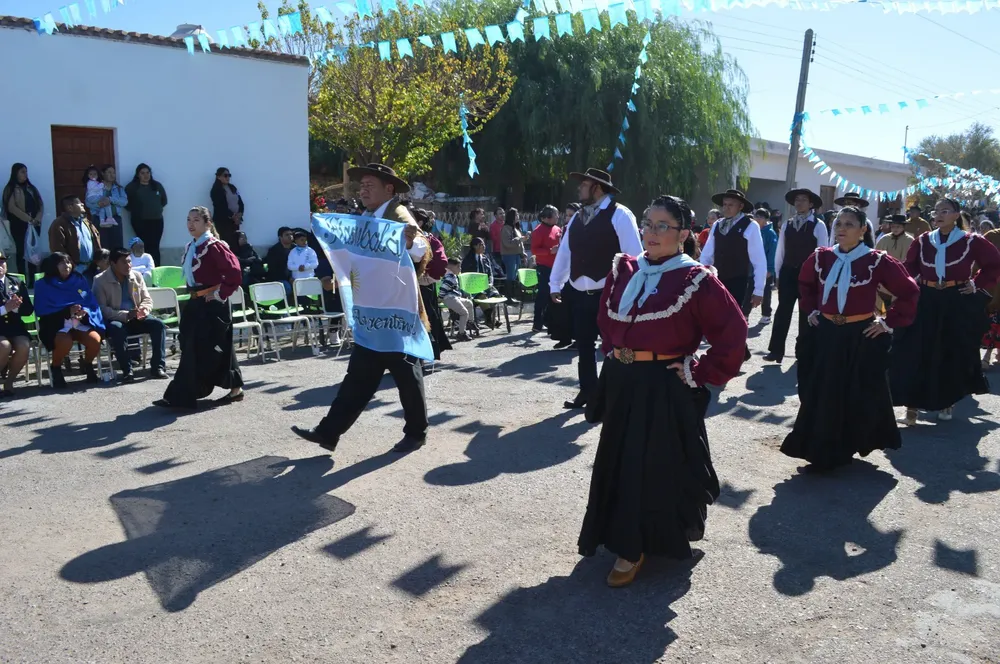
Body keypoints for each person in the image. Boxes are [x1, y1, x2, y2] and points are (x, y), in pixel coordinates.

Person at [577, 195, 747, 587]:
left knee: (648, 463)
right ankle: (617, 531)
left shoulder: (696, 279)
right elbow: (606, 316)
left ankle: (634, 545)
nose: (651, 233)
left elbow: (733, 335)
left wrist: (697, 369)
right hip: (623, 379)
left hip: (662, 385)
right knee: (619, 459)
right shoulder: (626, 268)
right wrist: (616, 348)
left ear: (684, 233)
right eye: (647, 224)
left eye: (662, 226)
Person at [292, 163, 431, 454]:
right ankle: (329, 432)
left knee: (407, 375)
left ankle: (416, 433)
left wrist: (409, 242)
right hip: (371, 311)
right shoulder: (365, 218)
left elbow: (420, 248)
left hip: (396, 311)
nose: (362, 190)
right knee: (358, 376)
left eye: (370, 185)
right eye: (362, 186)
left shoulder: (398, 214)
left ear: (388, 189)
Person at [781, 206, 919, 472]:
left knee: (856, 392)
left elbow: (909, 291)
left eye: (849, 224)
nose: (841, 229)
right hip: (827, 334)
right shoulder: (821, 257)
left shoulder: (877, 260)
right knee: (824, 391)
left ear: (863, 230)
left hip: (860, 335)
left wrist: (887, 322)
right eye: (838, 224)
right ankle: (821, 447)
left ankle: (847, 443)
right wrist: (811, 310)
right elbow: (806, 285)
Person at [891, 197, 1000, 424]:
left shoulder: (971, 241)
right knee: (915, 349)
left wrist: (976, 283)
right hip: (926, 298)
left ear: (956, 214)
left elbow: (993, 264)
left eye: (946, 210)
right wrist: (910, 284)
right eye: (937, 211)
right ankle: (911, 409)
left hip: (955, 299)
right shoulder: (923, 241)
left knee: (949, 350)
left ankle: (946, 402)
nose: (939, 214)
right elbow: (909, 267)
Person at [550, 168, 642, 410]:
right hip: (579, 292)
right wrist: (555, 282)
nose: (579, 188)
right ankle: (588, 392)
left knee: (616, 348)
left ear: (598, 188)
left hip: (609, 294)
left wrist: (631, 293)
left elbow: (634, 258)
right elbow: (565, 252)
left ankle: (616, 396)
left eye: (584, 184)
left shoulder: (620, 214)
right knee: (584, 346)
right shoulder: (578, 217)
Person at [156, 207, 244, 409]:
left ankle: (181, 395)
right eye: (188, 220)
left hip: (212, 304)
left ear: (208, 223)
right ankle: (232, 388)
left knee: (207, 346)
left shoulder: (214, 246)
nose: (190, 224)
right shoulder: (192, 246)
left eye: (196, 220)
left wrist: (220, 294)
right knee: (195, 345)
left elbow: (234, 274)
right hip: (196, 302)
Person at [700, 189, 766, 361]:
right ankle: (735, 353)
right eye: (725, 205)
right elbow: (707, 254)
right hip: (719, 279)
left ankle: (734, 357)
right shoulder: (717, 225)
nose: (727, 208)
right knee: (718, 319)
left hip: (740, 279)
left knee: (734, 321)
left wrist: (759, 290)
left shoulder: (750, 226)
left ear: (740, 206)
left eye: (731, 205)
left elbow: (759, 260)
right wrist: (700, 274)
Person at [765, 188, 828, 363]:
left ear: (811, 204)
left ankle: (804, 351)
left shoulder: (818, 225)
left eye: (803, 200)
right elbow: (781, 250)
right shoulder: (787, 224)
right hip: (788, 273)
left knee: (806, 312)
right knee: (782, 311)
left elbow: (823, 252)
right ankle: (776, 351)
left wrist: (821, 277)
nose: (799, 203)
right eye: (797, 200)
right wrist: (778, 273)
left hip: (810, 276)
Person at [94, 247, 168, 382]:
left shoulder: (136, 276)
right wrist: (126, 315)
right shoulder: (100, 280)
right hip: (116, 319)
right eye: (124, 262)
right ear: (113, 263)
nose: (128, 265)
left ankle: (158, 367)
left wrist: (144, 310)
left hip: (137, 317)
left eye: (129, 261)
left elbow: (147, 299)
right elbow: (101, 308)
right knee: (117, 329)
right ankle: (127, 370)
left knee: (158, 325)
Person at [33, 252, 105, 388]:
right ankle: (56, 368)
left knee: (95, 340)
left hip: (80, 322)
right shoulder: (42, 284)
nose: (66, 265)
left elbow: (90, 301)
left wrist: (84, 311)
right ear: (53, 266)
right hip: (56, 325)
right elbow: (41, 309)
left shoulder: (79, 280)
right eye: (61, 262)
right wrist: (67, 312)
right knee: (65, 342)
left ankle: (87, 363)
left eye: (68, 262)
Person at [413, 208, 451, 367]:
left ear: (419, 222)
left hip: (422, 287)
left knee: (424, 320)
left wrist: (427, 275)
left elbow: (441, 262)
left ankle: (423, 356)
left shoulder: (429, 239)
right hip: (406, 287)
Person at [2, 163, 44, 286]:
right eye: (22, 172)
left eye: (26, 172)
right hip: (19, 224)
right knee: (21, 252)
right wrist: (28, 219)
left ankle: (33, 279)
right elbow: (11, 207)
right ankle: (22, 280)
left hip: (34, 224)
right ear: (15, 173)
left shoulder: (31, 188)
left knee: (33, 252)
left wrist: (36, 219)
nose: (25, 174)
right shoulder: (11, 188)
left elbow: (40, 204)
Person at [0, 251, 33, 396]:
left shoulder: (16, 282)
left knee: (24, 345)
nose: (0, 265)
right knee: (4, 346)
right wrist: (4, 309)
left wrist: (17, 308)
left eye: (2, 262)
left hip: (14, 327)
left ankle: (9, 382)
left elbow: (28, 310)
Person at [124, 163, 168, 265]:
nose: (146, 175)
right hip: (140, 221)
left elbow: (164, 201)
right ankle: (146, 269)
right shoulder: (132, 187)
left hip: (157, 221)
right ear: (138, 174)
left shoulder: (157, 186)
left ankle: (157, 269)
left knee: (155, 246)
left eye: (148, 172)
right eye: (142, 173)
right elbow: (126, 204)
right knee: (144, 245)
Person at [49, 195, 102, 278]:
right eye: (79, 203)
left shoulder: (87, 222)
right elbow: (57, 249)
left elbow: (96, 242)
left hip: (92, 269)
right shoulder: (59, 224)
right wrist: (70, 266)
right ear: (70, 207)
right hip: (75, 270)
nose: (82, 204)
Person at [530, 205, 562, 332]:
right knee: (543, 294)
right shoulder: (538, 230)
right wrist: (550, 251)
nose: (558, 217)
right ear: (548, 218)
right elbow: (534, 250)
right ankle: (537, 323)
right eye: (556, 214)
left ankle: (549, 321)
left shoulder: (557, 229)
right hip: (544, 267)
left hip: (557, 267)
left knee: (554, 295)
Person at [874, 215, 913, 312]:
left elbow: (909, 260)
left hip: (901, 275)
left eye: (898, 227)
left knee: (897, 303)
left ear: (903, 227)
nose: (895, 229)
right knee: (880, 301)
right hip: (884, 276)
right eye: (893, 226)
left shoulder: (910, 240)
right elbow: (876, 255)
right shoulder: (884, 239)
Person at [86, 164, 127, 250]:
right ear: (103, 174)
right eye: (109, 172)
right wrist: (99, 204)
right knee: (102, 246)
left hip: (115, 219)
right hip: (99, 219)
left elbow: (124, 202)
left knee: (117, 246)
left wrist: (111, 199)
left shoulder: (119, 188)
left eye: (113, 173)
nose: (112, 175)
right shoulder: (95, 187)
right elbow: (88, 202)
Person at [753, 208, 778, 324]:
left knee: (766, 291)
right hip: (752, 267)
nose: (757, 219)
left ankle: (766, 314)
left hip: (766, 267)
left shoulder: (770, 233)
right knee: (750, 290)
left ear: (766, 219)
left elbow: (772, 252)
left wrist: (770, 269)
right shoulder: (753, 230)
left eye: (761, 217)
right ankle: (745, 313)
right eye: (756, 216)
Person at [440, 257, 475, 341]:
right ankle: (461, 333)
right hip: (449, 298)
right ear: (450, 267)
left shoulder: (453, 276)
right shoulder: (450, 277)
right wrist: (440, 298)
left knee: (469, 303)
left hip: (455, 297)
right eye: (458, 267)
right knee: (464, 313)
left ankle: (470, 322)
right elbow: (443, 288)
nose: (460, 269)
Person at [210, 167, 244, 247]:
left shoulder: (233, 188)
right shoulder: (216, 190)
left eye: (229, 175)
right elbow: (220, 207)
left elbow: (240, 201)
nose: (228, 178)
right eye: (225, 175)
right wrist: (233, 216)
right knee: (226, 243)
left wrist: (240, 214)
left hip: (235, 222)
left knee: (235, 243)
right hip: (223, 223)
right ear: (218, 177)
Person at [500, 208, 525, 303]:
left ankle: (513, 296)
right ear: (512, 217)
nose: (518, 216)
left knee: (514, 276)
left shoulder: (515, 228)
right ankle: (508, 297)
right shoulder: (506, 228)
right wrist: (519, 239)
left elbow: (519, 243)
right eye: (516, 215)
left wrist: (523, 253)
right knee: (510, 276)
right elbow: (507, 243)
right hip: (509, 255)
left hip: (516, 255)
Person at [265, 226, 295, 293]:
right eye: (287, 235)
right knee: (286, 287)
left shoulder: (296, 248)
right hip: (279, 278)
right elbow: (274, 269)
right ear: (280, 237)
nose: (290, 236)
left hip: (296, 276)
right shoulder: (274, 250)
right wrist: (289, 278)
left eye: (291, 234)